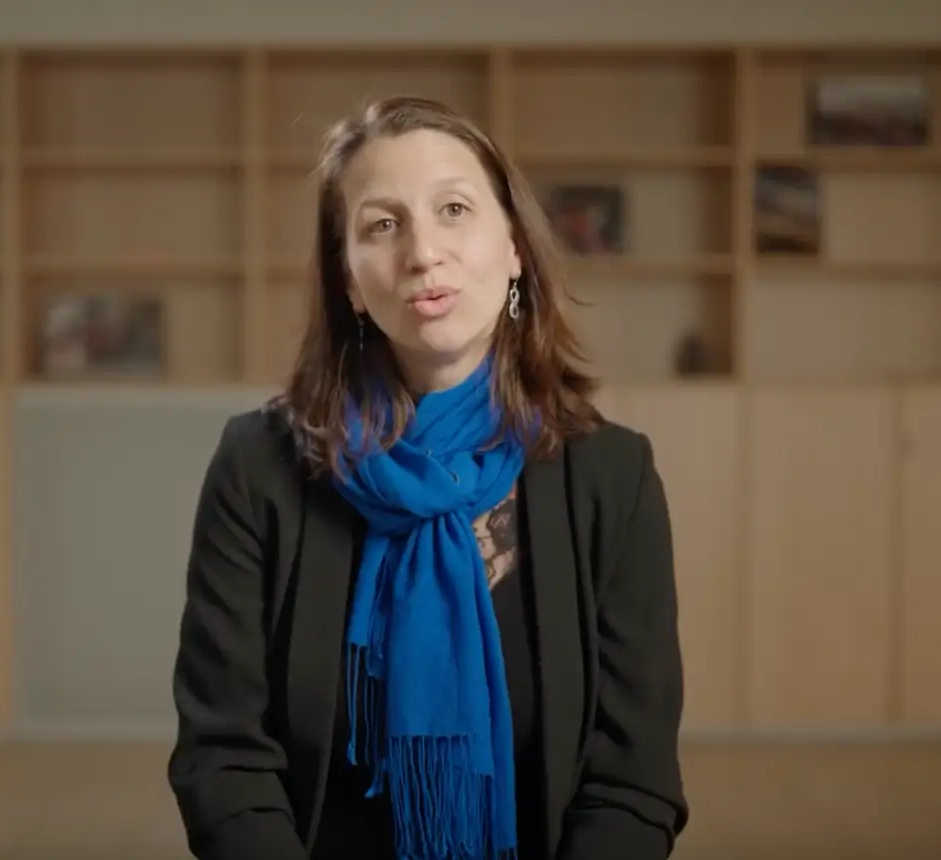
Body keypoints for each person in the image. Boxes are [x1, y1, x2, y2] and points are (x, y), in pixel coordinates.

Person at [166, 94, 689, 860]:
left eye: (453, 209)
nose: (422, 253)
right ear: (349, 280)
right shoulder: (258, 468)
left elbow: (633, 782)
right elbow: (224, 759)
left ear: (514, 248)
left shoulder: (611, 477)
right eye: (383, 225)